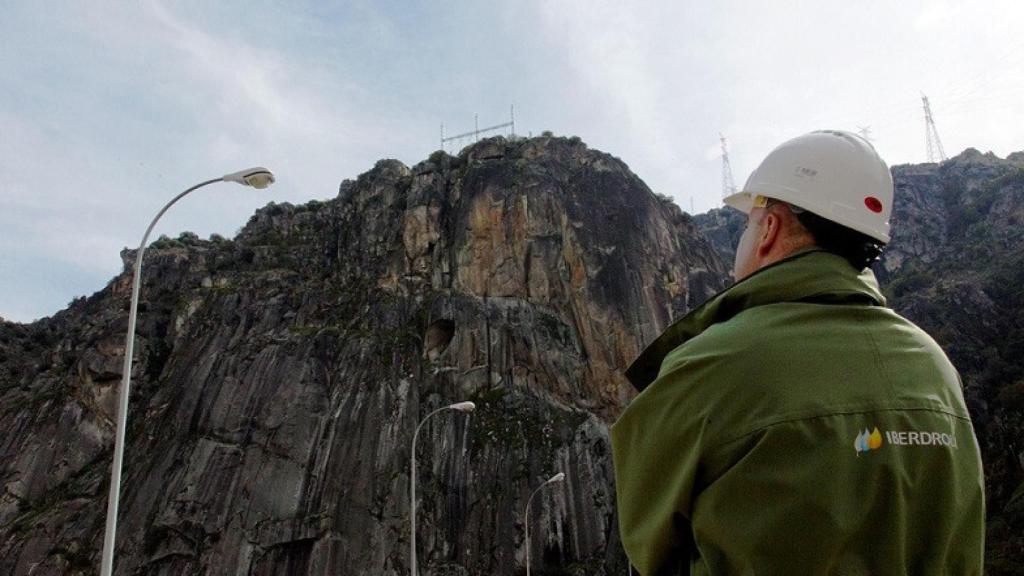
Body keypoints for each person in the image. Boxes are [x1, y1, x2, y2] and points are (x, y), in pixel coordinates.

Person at [611, 130, 984, 575]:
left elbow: (648, 545)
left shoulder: (708, 365)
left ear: (769, 227)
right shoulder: (934, 364)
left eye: (749, 222)